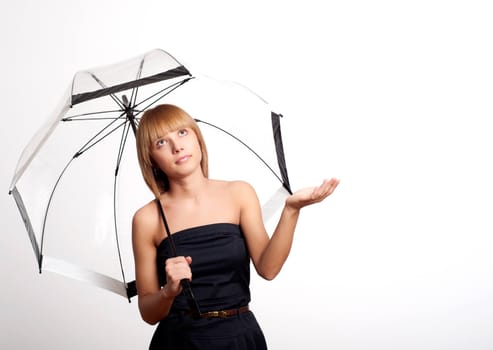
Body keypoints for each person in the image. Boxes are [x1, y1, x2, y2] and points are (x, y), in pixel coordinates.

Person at [132, 104, 339, 349]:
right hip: (179, 341)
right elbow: (148, 312)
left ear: (197, 138)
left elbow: (268, 268)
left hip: (240, 337)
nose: (177, 146)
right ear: (151, 160)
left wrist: (291, 210)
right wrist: (168, 291)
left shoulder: (239, 193)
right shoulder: (147, 219)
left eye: (182, 133)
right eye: (161, 143)